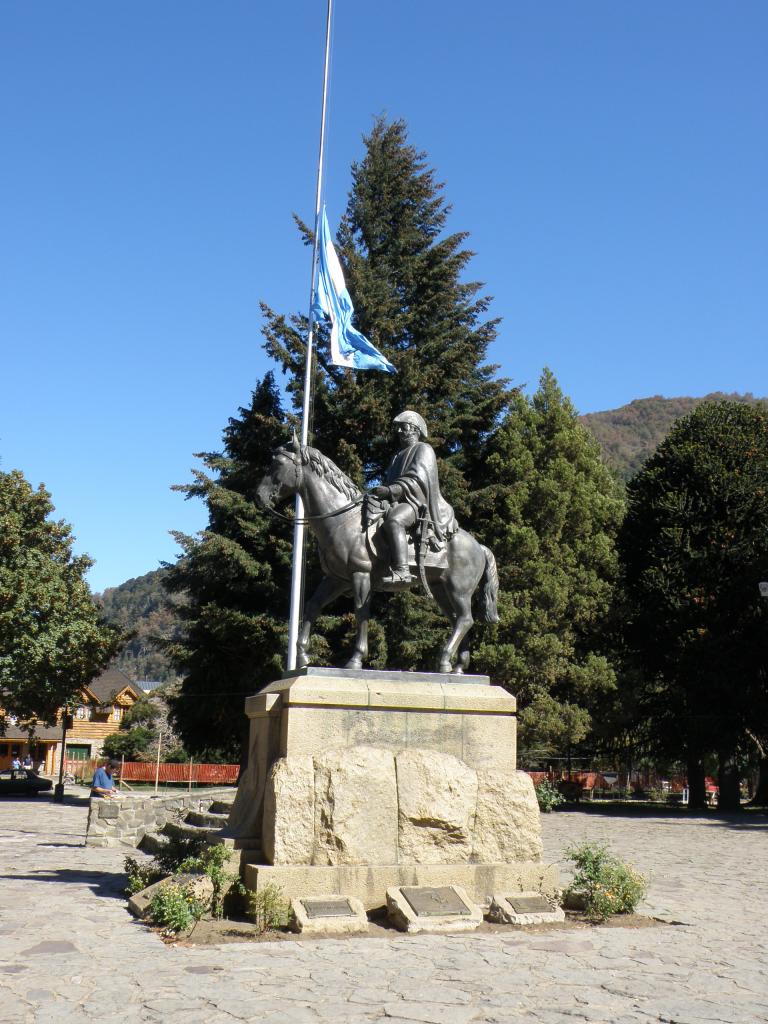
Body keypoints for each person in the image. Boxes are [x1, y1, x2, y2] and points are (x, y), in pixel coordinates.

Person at [368, 411, 457, 585]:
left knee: (395, 521)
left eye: (404, 427)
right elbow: (390, 481)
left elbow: (418, 479)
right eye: (398, 428)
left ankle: (403, 571)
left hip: (416, 503)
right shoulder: (396, 456)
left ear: (415, 429)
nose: (400, 431)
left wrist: (391, 490)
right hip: (394, 501)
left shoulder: (423, 449)